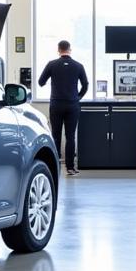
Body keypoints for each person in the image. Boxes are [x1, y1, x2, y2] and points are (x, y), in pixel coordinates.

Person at [38, 40, 88, 175]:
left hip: (56, 104)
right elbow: (86, 85)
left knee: (55, 135)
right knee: (70, 136)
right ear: (69, 49)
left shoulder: (52, 64)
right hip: (72, 105)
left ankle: (55, 166)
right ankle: (70, 168)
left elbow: (40, 82)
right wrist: (77, 97)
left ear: (58, 50)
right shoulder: (78, 66)